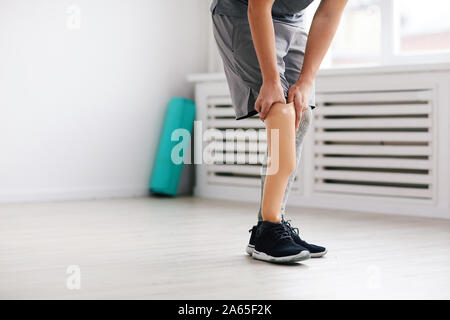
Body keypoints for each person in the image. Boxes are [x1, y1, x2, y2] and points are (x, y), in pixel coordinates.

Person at [211, 0, 347, 263]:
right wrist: (271, 80)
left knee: (300, 113)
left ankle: (271, 226)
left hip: (290, 18)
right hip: (240, 12)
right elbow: (258, 8)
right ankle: (269, 229)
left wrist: (306, 81)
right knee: (280, 111)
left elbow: (329, 13)